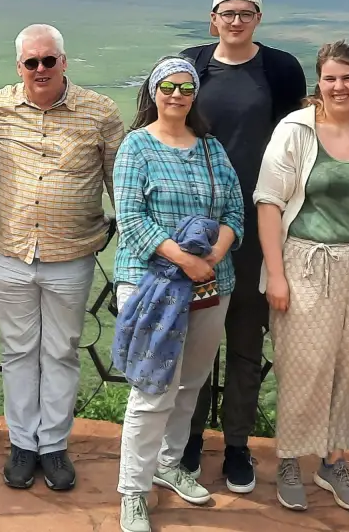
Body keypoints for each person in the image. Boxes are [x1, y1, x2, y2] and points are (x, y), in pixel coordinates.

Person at [253, 42, 349, 514]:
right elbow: (269, 202)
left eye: (348, 77)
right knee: (304, 365)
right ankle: (290, 459)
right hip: (305, 261)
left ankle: (333, 461)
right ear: (319, 81)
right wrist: (276, 275)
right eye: (331, 78)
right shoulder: (296, 130)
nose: (339, 87)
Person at [0, 23, 125, 492]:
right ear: (19, 66)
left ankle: (54, 445)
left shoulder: (100, 111)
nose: (40, 69)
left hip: (71, 254)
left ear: (64, 61)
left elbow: (119, 182)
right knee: (18, 351)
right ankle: (23, 444)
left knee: (61, 351)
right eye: (31, 62)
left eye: (49, 60)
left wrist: (132, 246)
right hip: (9, 251)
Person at [180, 0, 306, 494]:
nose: (235, 21)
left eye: (245, 13)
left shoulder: (279, 69)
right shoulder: (191, 64)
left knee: (246, 341)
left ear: (258, 18)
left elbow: (298, 140)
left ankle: (237, 445)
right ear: (213, 19)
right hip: (197, 227)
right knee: (195, 340)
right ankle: (188, 439)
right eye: (227, 13)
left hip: (257, 225)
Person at [112, 57, 244, 532]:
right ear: (153, 92)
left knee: (190, 382)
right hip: (151, 284)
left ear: (194, 95)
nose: (176, 95)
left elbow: (235, 211)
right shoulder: (136, 146)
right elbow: (131, 220)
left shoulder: (211, 148)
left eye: (186, 88)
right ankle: (133, 489)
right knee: (153, 388)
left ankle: (167, 464)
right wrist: (186, 261)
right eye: (167, 86)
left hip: (211, 284)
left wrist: (213, 257)